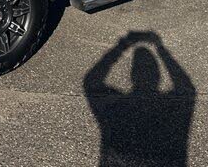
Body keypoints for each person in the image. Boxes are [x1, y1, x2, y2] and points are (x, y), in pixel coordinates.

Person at [84, 31, 196, 167]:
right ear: (158, 77)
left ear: (132, 75)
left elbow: (91, 82)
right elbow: (187, 87)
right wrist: (161, 49)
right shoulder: (171, 105)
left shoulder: (117, 106)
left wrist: (121, 46)